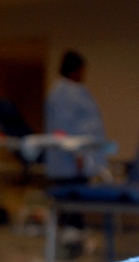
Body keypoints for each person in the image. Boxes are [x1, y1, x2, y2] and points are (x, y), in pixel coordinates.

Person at [43, 50, 108, 182]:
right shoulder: (63, 94)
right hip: (72, 165)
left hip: (81, 161)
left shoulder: (73, 91)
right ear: (75, 70)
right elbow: (63, 127)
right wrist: (77, 154)